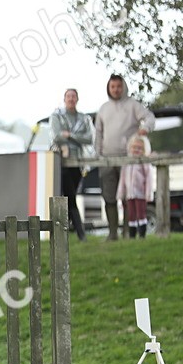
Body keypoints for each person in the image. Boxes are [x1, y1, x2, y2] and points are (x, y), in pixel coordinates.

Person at [94, 74, 155, 240]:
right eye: (112, 86)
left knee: (129, 196)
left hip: (128, 160)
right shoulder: (103, 109)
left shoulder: (133, 105)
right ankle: (112, 233)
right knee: (109, 196)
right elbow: (98, 133)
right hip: (107, 158)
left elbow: (149, 117)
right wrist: (97, 155)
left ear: (124, 87)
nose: (115, 90)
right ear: (108, 88)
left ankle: (128, 232)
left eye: (118, 86)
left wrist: (145, 129)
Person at [49, 88, 94, 240]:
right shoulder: (57, 115)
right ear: (64, 99)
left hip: (78, 161)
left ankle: (66, 231)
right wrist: (75, 138)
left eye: (74, 96)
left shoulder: (83, 118)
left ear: (77, 99)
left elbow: (89, 138)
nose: (71, 99)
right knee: (70, 197)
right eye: (68, 96)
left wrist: (70, 135)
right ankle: (81, 234)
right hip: (62, 160)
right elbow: (56, 136)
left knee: (70, 195)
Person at [117, 135, 155, 238]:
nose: (136, 150)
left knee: (141, 213)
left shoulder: (144, 162)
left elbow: (149, 179)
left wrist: (148, 194)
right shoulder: (127, 162)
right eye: (134, 147)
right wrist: (121, 194)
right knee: (131, 214)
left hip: (140, 193)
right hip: (130, 193)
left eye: (139, 148)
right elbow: (122, 179)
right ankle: (132, 235)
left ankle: (142, 235)